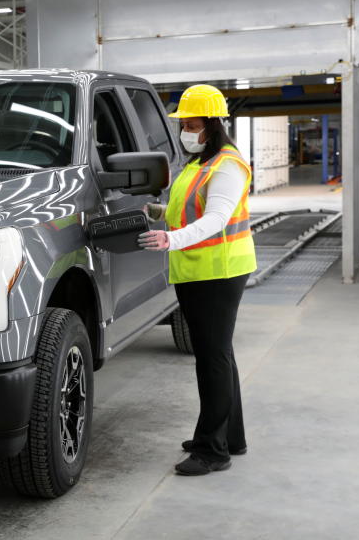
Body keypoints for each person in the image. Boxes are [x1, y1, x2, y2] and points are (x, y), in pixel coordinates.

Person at [137, 84, 257, 476]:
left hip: (219, 272)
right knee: (219, 355)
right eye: (183, 124)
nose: (184, 130)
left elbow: (216, 218)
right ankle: (229, 438)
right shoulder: (198, 163)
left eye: (190, 123)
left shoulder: (226, 165)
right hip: (198, 270)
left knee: (212, 360)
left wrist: (171, 239)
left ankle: (211, 451)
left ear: (211, 124)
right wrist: (157, 212)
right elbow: (188, 207)